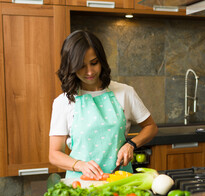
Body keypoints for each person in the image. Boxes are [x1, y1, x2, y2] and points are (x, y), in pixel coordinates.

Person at [49, 30, 158, 179]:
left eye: (94, 63)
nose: (89, 71)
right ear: (71, 66)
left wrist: (131, 144)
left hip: (120, 180)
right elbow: (54, 154)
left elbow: (151, 127)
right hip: (81, 183)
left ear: (101, 60)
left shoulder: (124, 92)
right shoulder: (63, 102)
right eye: (81, 66)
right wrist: (80, 165)